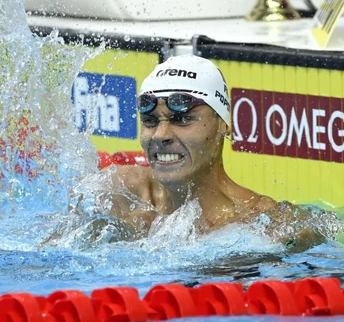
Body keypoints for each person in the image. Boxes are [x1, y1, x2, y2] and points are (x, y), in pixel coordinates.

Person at [104, 54, 327, 252]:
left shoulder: (264, 226)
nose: (160, 135)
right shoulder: (120, 194)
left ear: (224, 125)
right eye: (151, 121)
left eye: (182, 119)